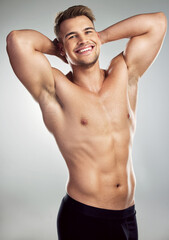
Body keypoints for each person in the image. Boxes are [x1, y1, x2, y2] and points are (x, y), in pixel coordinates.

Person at [6, 5, 167, 240]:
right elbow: (16, 40)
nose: (83, 40)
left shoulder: (123, 73)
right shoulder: (57, 88)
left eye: (87, 31)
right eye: (72, 36)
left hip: (127, 216)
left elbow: (158, 22)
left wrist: (99, 37)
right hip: (84, 217)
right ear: (62, 46)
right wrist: (61, 49)